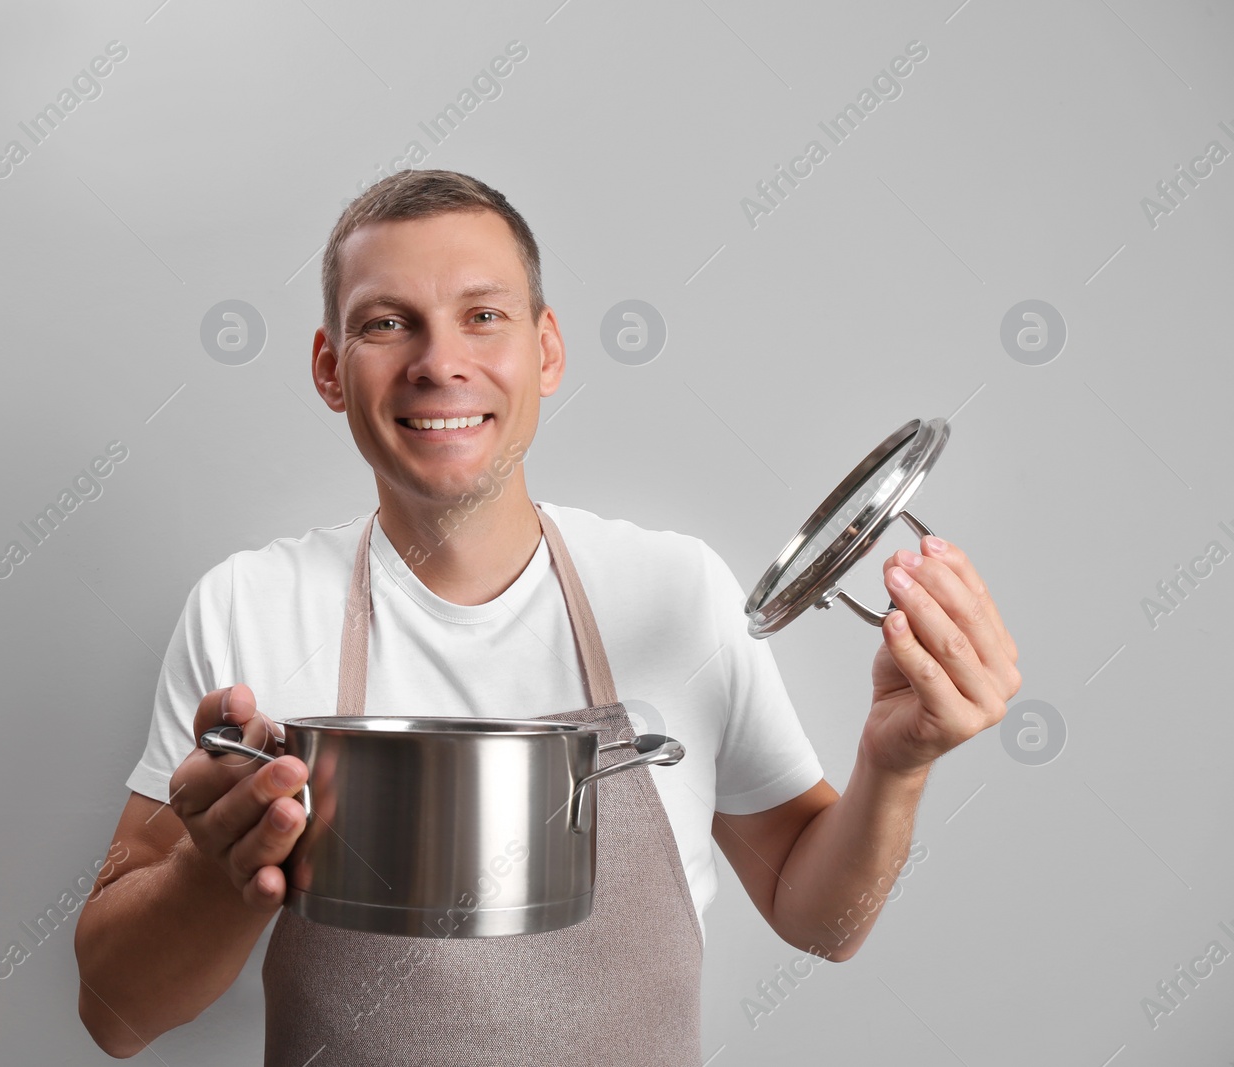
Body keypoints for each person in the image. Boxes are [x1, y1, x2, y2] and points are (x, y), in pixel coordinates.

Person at [73, 169, 1021, 1063]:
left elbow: (824, 922)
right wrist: (215, 869)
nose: (440, 362)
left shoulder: (675, 590)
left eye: (483, 316)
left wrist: (896, 765)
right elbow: (117, 1014)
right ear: (329, 368)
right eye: (388, 323)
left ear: (547, 349)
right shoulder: (250, 606)